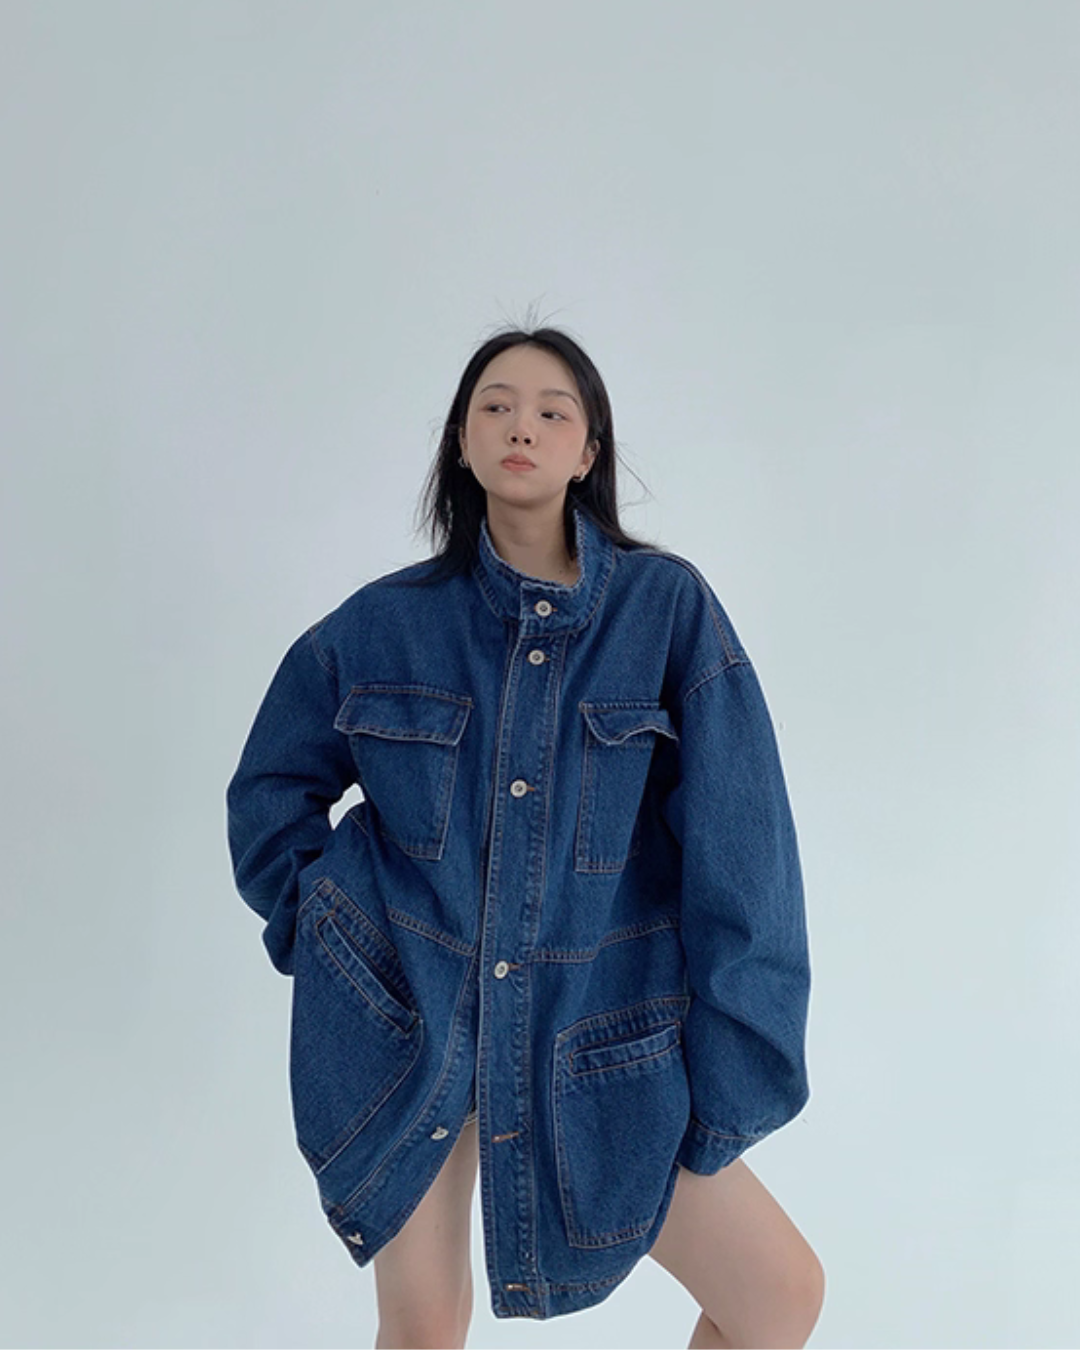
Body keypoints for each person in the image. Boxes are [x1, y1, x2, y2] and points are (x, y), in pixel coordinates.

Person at [225, 324, 824, 1348]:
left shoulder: (666, 612)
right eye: (496, 406)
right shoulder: (380, 626)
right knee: (424, 1327)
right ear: (461, 441)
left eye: (553, 411)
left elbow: (744, 853)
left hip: (595, 1039)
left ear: (589, 451)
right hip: (411, 1023)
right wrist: (334, 944)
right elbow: (271, 791)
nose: (522, 427)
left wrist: (733, 1066)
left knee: (778, 1296)